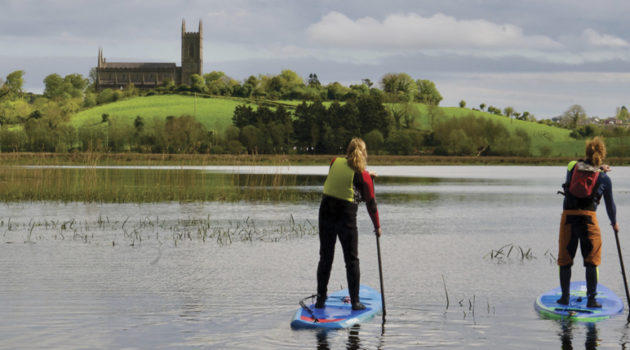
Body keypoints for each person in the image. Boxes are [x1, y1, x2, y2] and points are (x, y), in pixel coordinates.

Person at [315, 138, 382, 310]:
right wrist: (377, 226)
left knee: (325, 257)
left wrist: (367, 175)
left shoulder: (334, 163)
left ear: (348, 151)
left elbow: (345, 177)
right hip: (345, 217)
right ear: (364, 154)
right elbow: (371, 204)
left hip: (326, 212)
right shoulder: (364, 177)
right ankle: (355, 302)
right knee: (351, 260)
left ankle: (320, 300)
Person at [557, 137, 619, 307]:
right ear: (602, 155)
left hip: (568, 217)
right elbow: (610, 205)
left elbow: (575, 165)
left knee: (565, 259)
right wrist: (614, 223)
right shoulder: (604, 178)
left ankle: (564, 298)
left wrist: (598, 167)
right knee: (592, 260)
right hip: (588, 219)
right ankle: (592, 300)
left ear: (586, 152)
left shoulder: (572, 167)